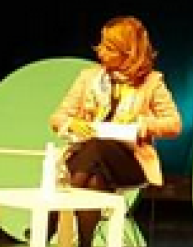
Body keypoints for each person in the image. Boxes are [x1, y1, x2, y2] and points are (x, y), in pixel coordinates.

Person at [50, 16, 184, 247]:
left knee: (97, 147)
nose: (100, 51)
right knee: (94, 179)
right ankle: (85, 244)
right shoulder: (88, 77)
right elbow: (57, 118)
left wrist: (141, 125)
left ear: (128, 53)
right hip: (87, 160)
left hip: (128, 162)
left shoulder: (152, 82)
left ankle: (49, 223)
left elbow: (173, 124)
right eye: (101, 44)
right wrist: (72, 124)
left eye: (109, 48)